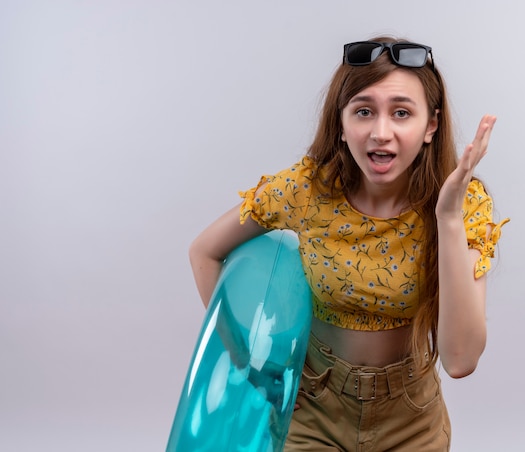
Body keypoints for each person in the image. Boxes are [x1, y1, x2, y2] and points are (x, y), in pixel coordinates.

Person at [189, 36, 508, 451]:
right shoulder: (305, 190)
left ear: (430, 125)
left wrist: (446, 218)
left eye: (401, 113)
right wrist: (246, 356)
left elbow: (461, 360)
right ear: (341, 124)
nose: (380, 132)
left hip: (411, 417)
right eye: (363, 111)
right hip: (313, 408)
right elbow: (204, 251)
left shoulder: (464, 207)